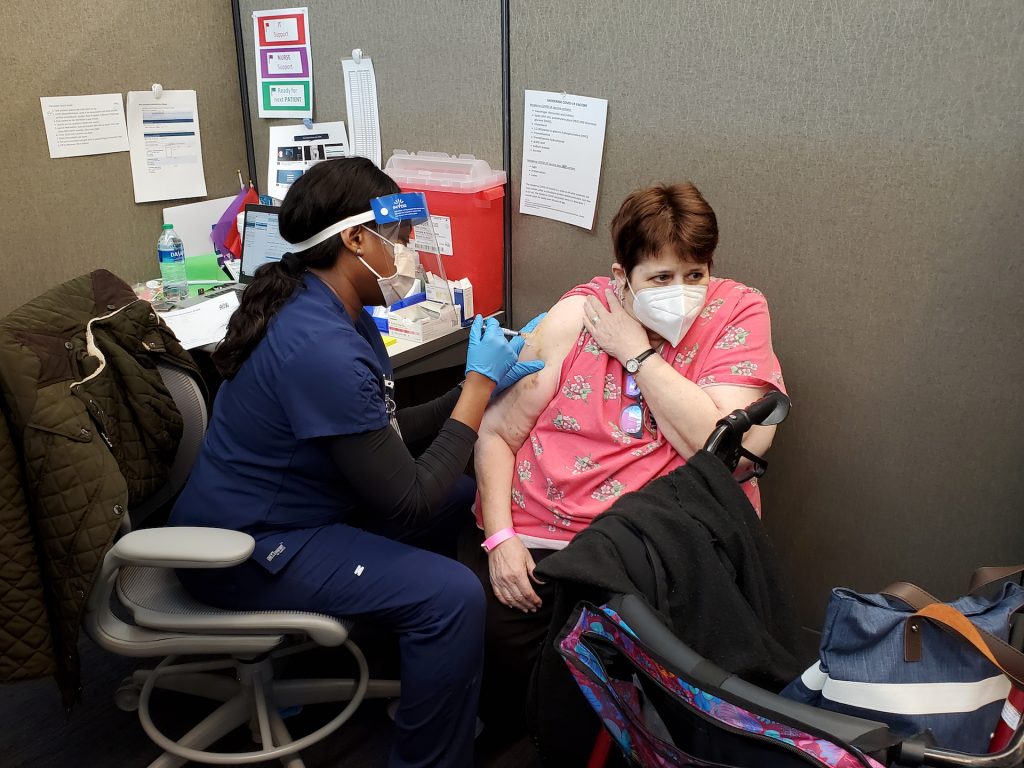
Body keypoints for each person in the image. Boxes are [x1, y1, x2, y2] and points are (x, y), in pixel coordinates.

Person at [168, 157, 542, 768]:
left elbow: (383, 431)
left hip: (294, 509)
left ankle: (426, 670)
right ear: (354, 238)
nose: (409, 250)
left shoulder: (330, 308)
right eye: (397, 237)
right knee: (449, 596)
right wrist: (474, 392)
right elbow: (407, 498)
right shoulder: (319, 346)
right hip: (242, 549)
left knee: (459, 498)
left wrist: (477, 389)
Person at [461, 182, 787, 735]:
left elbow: (728, 455)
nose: (681, 292)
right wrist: (500, 542)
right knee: (524, 688)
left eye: (695, 274)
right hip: (540, 543)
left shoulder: (736, 314)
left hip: (652, 557)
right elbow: (496, 434)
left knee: (639, 706)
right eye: (659, 278)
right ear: (621, 278)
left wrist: (635, 351)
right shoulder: (575, 318)